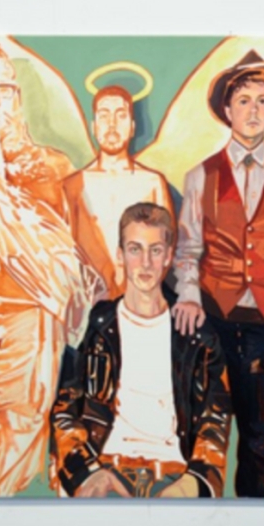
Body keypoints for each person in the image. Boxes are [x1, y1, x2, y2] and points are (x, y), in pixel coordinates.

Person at [0, 42, 100, 497]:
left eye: (9, 88)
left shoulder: (49, 167)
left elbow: (76, 248)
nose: (4, 101)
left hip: (39, 331)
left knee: (29, 422)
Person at [172, 50, 264, 497]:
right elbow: (187, 249)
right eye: (243, 100)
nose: (253, 110)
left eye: (262, 101)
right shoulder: (200, 176)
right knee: (201, 439)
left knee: (258, 444)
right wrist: (189, 295)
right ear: (227, 110)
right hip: (214, 323)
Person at [50, 203, 231, 498]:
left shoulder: (196, 336)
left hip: (174, 477)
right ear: (120, 255)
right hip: (106, 471)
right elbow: (64, 412)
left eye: (155, 250)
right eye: (135, 249)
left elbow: (215, 423)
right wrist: (87, 474)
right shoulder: (99, 325)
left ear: (169, 256)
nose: (145, 263)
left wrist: (191, 484)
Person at [63, 85, 174, 301]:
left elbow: (166, 245)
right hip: (89, 302)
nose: (112, 124)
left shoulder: (152, 183)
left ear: (132, 127)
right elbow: (64, 250)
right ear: (94, 126)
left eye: (120, 115)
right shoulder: (73, 186)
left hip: (142, 299)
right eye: (104, 116)